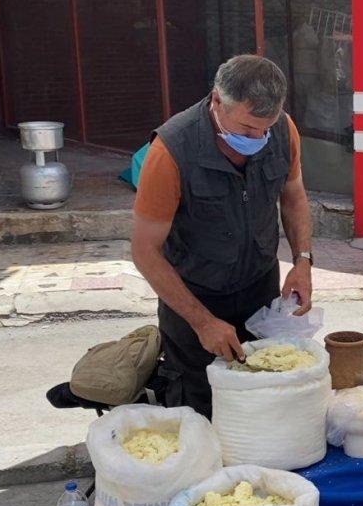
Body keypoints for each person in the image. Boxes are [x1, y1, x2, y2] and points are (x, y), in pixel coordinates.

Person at [131, 55, 314, 419]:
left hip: (258, 285)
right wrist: (202, 322)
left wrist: (303, 261)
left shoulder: (284, 131)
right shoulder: (170, 151)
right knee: (201, 405)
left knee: (265, 396)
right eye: (247, 129)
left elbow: (293, 196)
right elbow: (145, 251)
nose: (259, 139)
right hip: (194, 294)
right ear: (217, 101)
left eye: (266, 128)